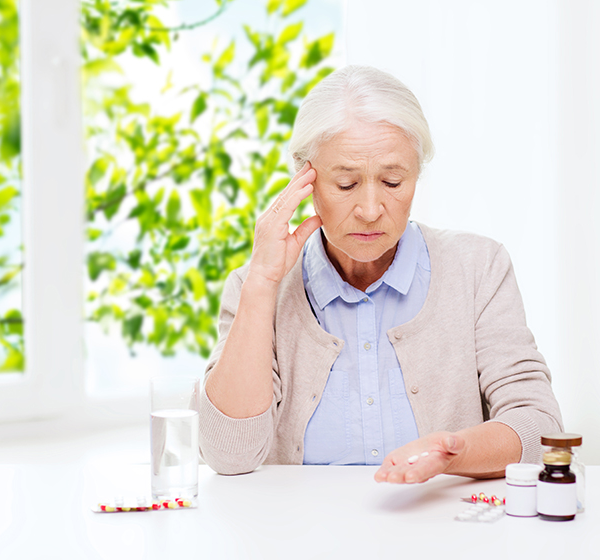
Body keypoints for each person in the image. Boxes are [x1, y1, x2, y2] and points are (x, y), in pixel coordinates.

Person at [199, 65, 563, 484]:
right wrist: (262, 285)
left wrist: (453, 453)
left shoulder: (479, 267)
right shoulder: (255, 286)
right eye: (346, 184)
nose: (370, 210)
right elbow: (227, 455)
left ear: (416, 174)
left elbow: (540, 427)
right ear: (304, 179)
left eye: (392, 181)